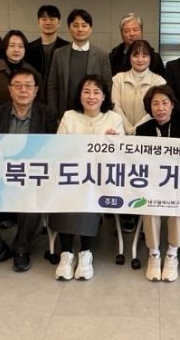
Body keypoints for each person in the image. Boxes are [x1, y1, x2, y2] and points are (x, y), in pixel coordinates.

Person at [0, 68, 58, 273]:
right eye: (18, 86)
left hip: (32, 175)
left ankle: (22, 247)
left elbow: (53, 149)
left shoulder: (47, 114)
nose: (23, 90)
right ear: (9, 89)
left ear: (36, 91)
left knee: (34, 193)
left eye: (28, 86)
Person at [52, 75, 124, 281]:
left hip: (102, 178)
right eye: (86, 91)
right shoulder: (69, 116)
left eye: (96, 92)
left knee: (89, 191)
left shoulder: (114, 119)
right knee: (66, 191)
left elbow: (122, 154)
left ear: (104, 96)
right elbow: (59, 148)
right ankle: (66, 253)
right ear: (79, 95)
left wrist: (114, 142)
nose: (91, 96)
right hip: (72, 175)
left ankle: (85, 253)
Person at [136, 85, 180, 282]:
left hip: (176, 184)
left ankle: (172, 253)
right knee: (148, 205)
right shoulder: (142, 130)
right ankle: (154, 253)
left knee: (178, 205)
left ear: (172, 105)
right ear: (149, 107)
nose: (160, 108)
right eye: (155, 104)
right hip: (151, 184)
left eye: (165, 103)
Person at [47, 9, 112, 118]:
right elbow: (52, 86)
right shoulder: (59, 54)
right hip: (65, 114)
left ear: (90, 28)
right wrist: (54, 115)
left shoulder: (102, 56)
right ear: (69, 28)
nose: (80, 29)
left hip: (93, 115)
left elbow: (107, 86)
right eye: (75, 25)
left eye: (84, 25)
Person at [0, 30, 39, 116]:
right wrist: (3, 115)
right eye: (12, 46)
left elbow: (40, 100)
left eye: (21, 46)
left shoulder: (33, 72)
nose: (16, 50)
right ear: (5, 47)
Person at [25, 5, 69, 102]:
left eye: (52, 19)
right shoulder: (28, 49)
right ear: (38, 22)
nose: (48, 22)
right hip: (34, 99)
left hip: (60, 99)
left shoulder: (67, 48)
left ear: (59, 23)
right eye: (44, 19)